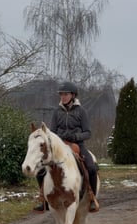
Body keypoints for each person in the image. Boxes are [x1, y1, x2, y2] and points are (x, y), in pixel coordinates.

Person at [34, 81, 98, 213]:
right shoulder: (57, 112)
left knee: (91, 168)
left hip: (77, 145)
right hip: (60, 146)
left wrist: (75, 137)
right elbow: (51, 132)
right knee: (40, 169)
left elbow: (88, 133)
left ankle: (92, 198)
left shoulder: (81, 111)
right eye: (61, 94)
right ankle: (44, 199)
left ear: (73, 95)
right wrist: (59, 136)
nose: (63, 97)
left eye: (66, 94)